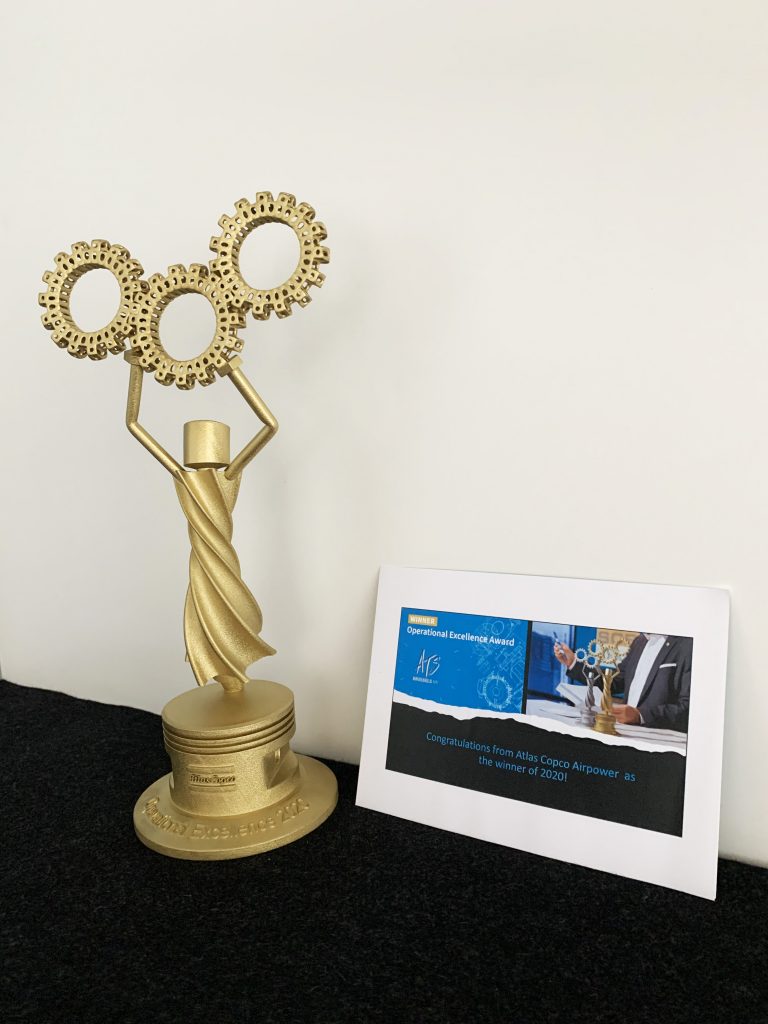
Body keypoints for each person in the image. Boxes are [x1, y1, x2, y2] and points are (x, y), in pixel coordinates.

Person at [553, 634, 692, 731]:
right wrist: (573, 664)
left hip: (658, 739)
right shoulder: (640, 641)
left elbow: (688, 709)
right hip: (625, 732)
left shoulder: (686, 645)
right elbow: (613, 681)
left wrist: (640, 715)